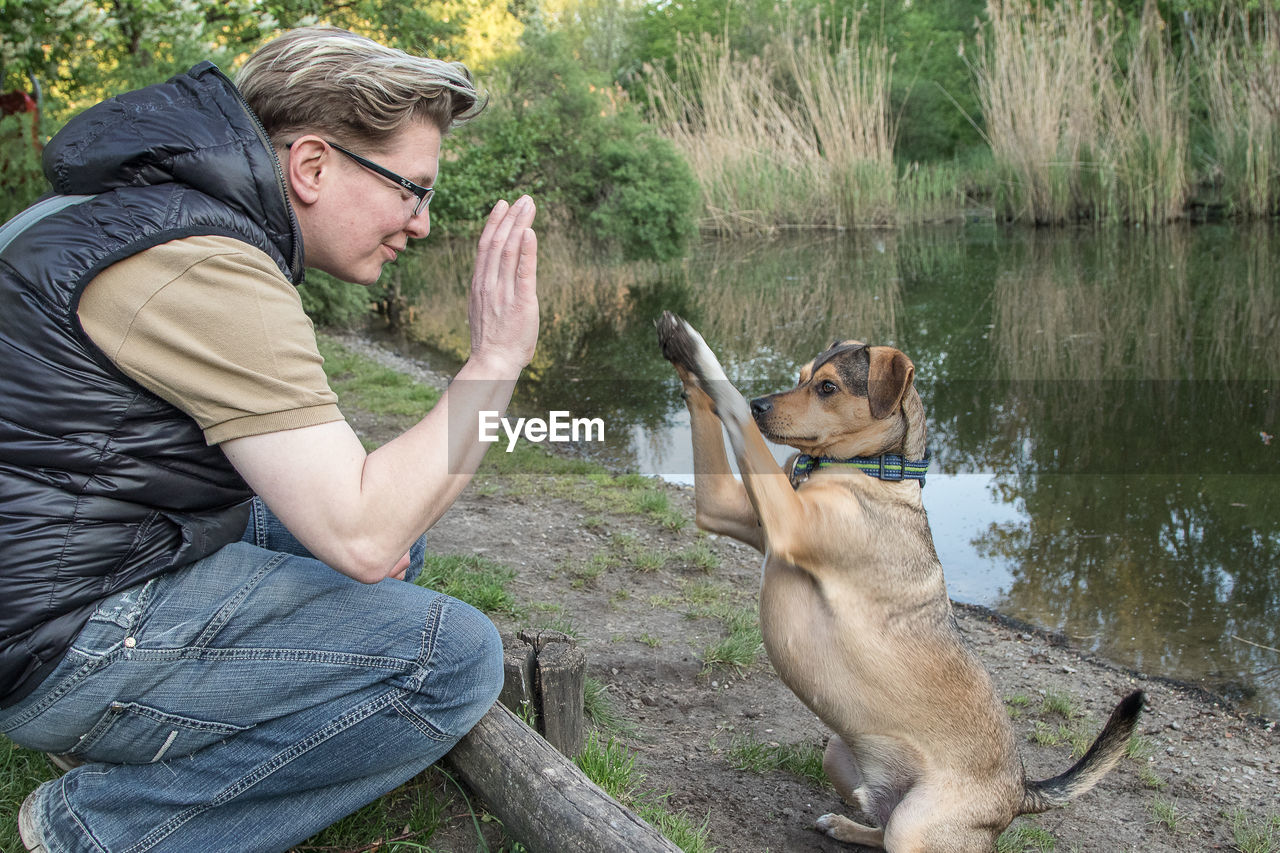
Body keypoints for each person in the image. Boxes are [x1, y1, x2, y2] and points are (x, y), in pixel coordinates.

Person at [0, 26, 538, 853]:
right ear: (313, 166)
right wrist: (495, 359)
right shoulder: (204, 264)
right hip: (53, 638)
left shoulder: (135, 214)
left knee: (398, 547)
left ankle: (163, 723)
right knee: (452, 656)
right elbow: (361, 533)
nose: (422, 223)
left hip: (52, 563)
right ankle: (102, 828)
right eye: (412, 189)